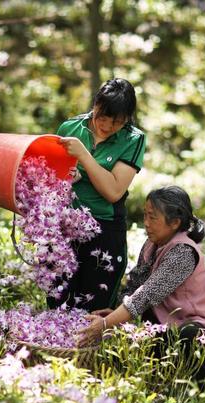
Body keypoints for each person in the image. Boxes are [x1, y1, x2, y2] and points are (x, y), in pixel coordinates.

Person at [78, 186, 205, 389]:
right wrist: (115, 313)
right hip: (171, 323)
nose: (146, 223)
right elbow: (135, 283)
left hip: (204, 330)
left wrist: (107, 323)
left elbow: (147, 294)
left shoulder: (183, 252)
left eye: (153, 218)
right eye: (145, 215)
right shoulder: (153, 243)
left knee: (188, 335)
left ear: (175, 223)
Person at [47, 78, 146, 312]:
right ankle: (55, 350)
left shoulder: (133, 138)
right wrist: (64, 178)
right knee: (58, 301)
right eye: (102, 115)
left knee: (95, 306)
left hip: (104, 228)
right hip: (63, 226)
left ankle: (88, 351)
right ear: (96, 104)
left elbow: (113, 191)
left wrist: (84, 156)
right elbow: (50, 177)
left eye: (117, 121)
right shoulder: (70, 128)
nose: (108, 125)